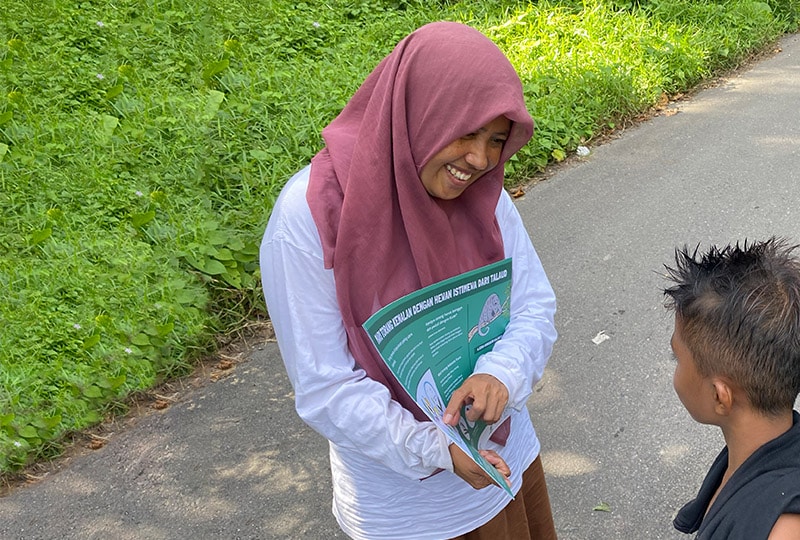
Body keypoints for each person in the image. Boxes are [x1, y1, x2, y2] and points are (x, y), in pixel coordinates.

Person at [260, 21, 558, 540]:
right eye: (465, 131)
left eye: (496, 140)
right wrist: (435, 447)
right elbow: (326, 386)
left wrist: (501, 377)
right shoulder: (310, 217)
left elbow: (532, 305)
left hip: (504, 464)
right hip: (408, 510)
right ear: (419, 112)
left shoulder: (484, 195)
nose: (480, 160)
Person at [663, 237, 800, 539]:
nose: (674, 367)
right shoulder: (753, 455)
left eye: (677, 357)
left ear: (719, 396)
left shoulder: (779, 529)